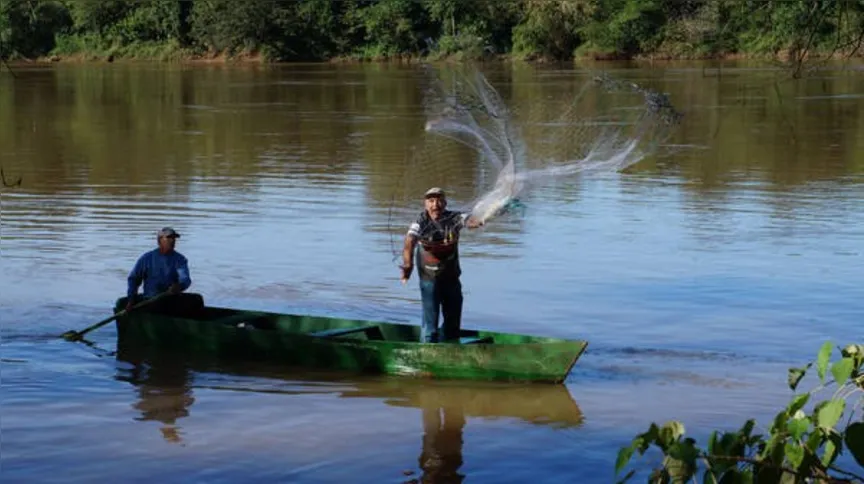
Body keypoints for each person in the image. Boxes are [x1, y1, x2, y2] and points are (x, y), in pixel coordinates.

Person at [401, 187, 482, 343]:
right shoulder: (420, 222)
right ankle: (425, 356)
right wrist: (408, 264)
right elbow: (409, 241)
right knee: (430, 326)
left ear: (445, 203)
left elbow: (469, 220)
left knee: (453, 324)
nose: (435, 205)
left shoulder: (454, 218)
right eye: (431, 201)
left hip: (451, 279)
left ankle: (450, 351)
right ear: (425, 204)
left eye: (439, 200)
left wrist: (480, 220)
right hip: (429, 280)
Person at [126, 227, 192, 312]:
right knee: (156, 305)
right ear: (159, 240)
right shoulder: (147, 258)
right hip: (151, 300)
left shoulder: (180, 259)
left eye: (174, 238)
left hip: (172, 300)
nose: (172, 240)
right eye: (169, 237)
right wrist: (131, 299)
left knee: (197, 300)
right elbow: (134, 279)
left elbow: (185, 279)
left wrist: (180, 286)